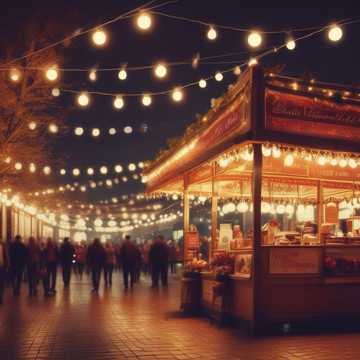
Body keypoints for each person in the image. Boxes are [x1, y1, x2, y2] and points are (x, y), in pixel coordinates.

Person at [0, 238, 8, 304]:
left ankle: (1, 297)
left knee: (2, 283)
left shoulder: (3, 246)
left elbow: (6, 256)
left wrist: (7, 265)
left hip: (2, 267)